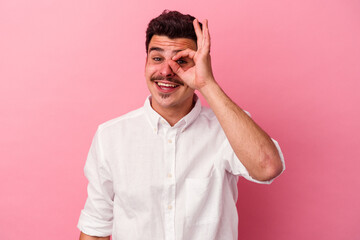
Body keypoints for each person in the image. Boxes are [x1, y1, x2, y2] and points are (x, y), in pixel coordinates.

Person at [78, 10, 285, 240]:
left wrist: (207, 83)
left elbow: (268, 167)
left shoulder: (227, 129)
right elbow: (96, 229)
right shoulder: (111, 137)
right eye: (157, 58)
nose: (166, 71)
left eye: (181, 61)